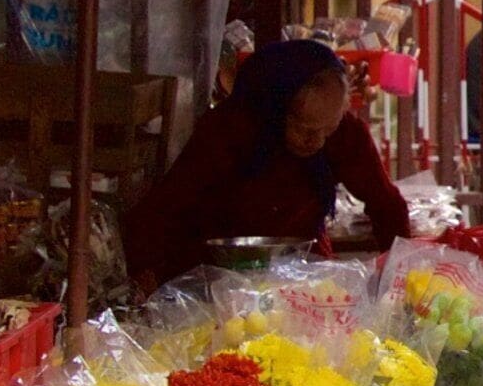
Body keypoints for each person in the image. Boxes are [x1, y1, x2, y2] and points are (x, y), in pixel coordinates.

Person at [124, 37, 412, 283]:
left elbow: (386, 204)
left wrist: (398, 274)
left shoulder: (345, 134)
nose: (318, 141)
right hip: (216, 269)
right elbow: (168, 206)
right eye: (304, 128)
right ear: (276, 111)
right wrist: (146, 275)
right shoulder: (231, 130)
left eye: (328, 129)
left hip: (301, 264)